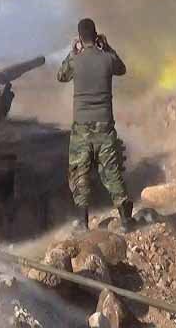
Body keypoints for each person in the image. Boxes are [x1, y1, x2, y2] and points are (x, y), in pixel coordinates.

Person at [57, 18, 135, 232]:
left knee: (80, 174)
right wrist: (107, 47)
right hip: (105, 127)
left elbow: (61, 76)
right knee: (112, 173)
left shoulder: (75, 60)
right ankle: (126, 221)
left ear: (80, 38)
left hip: (81, 129)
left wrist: (73, 52)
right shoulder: (107, 58)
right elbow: (122, 69)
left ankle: (83, 224)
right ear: (96, 35)